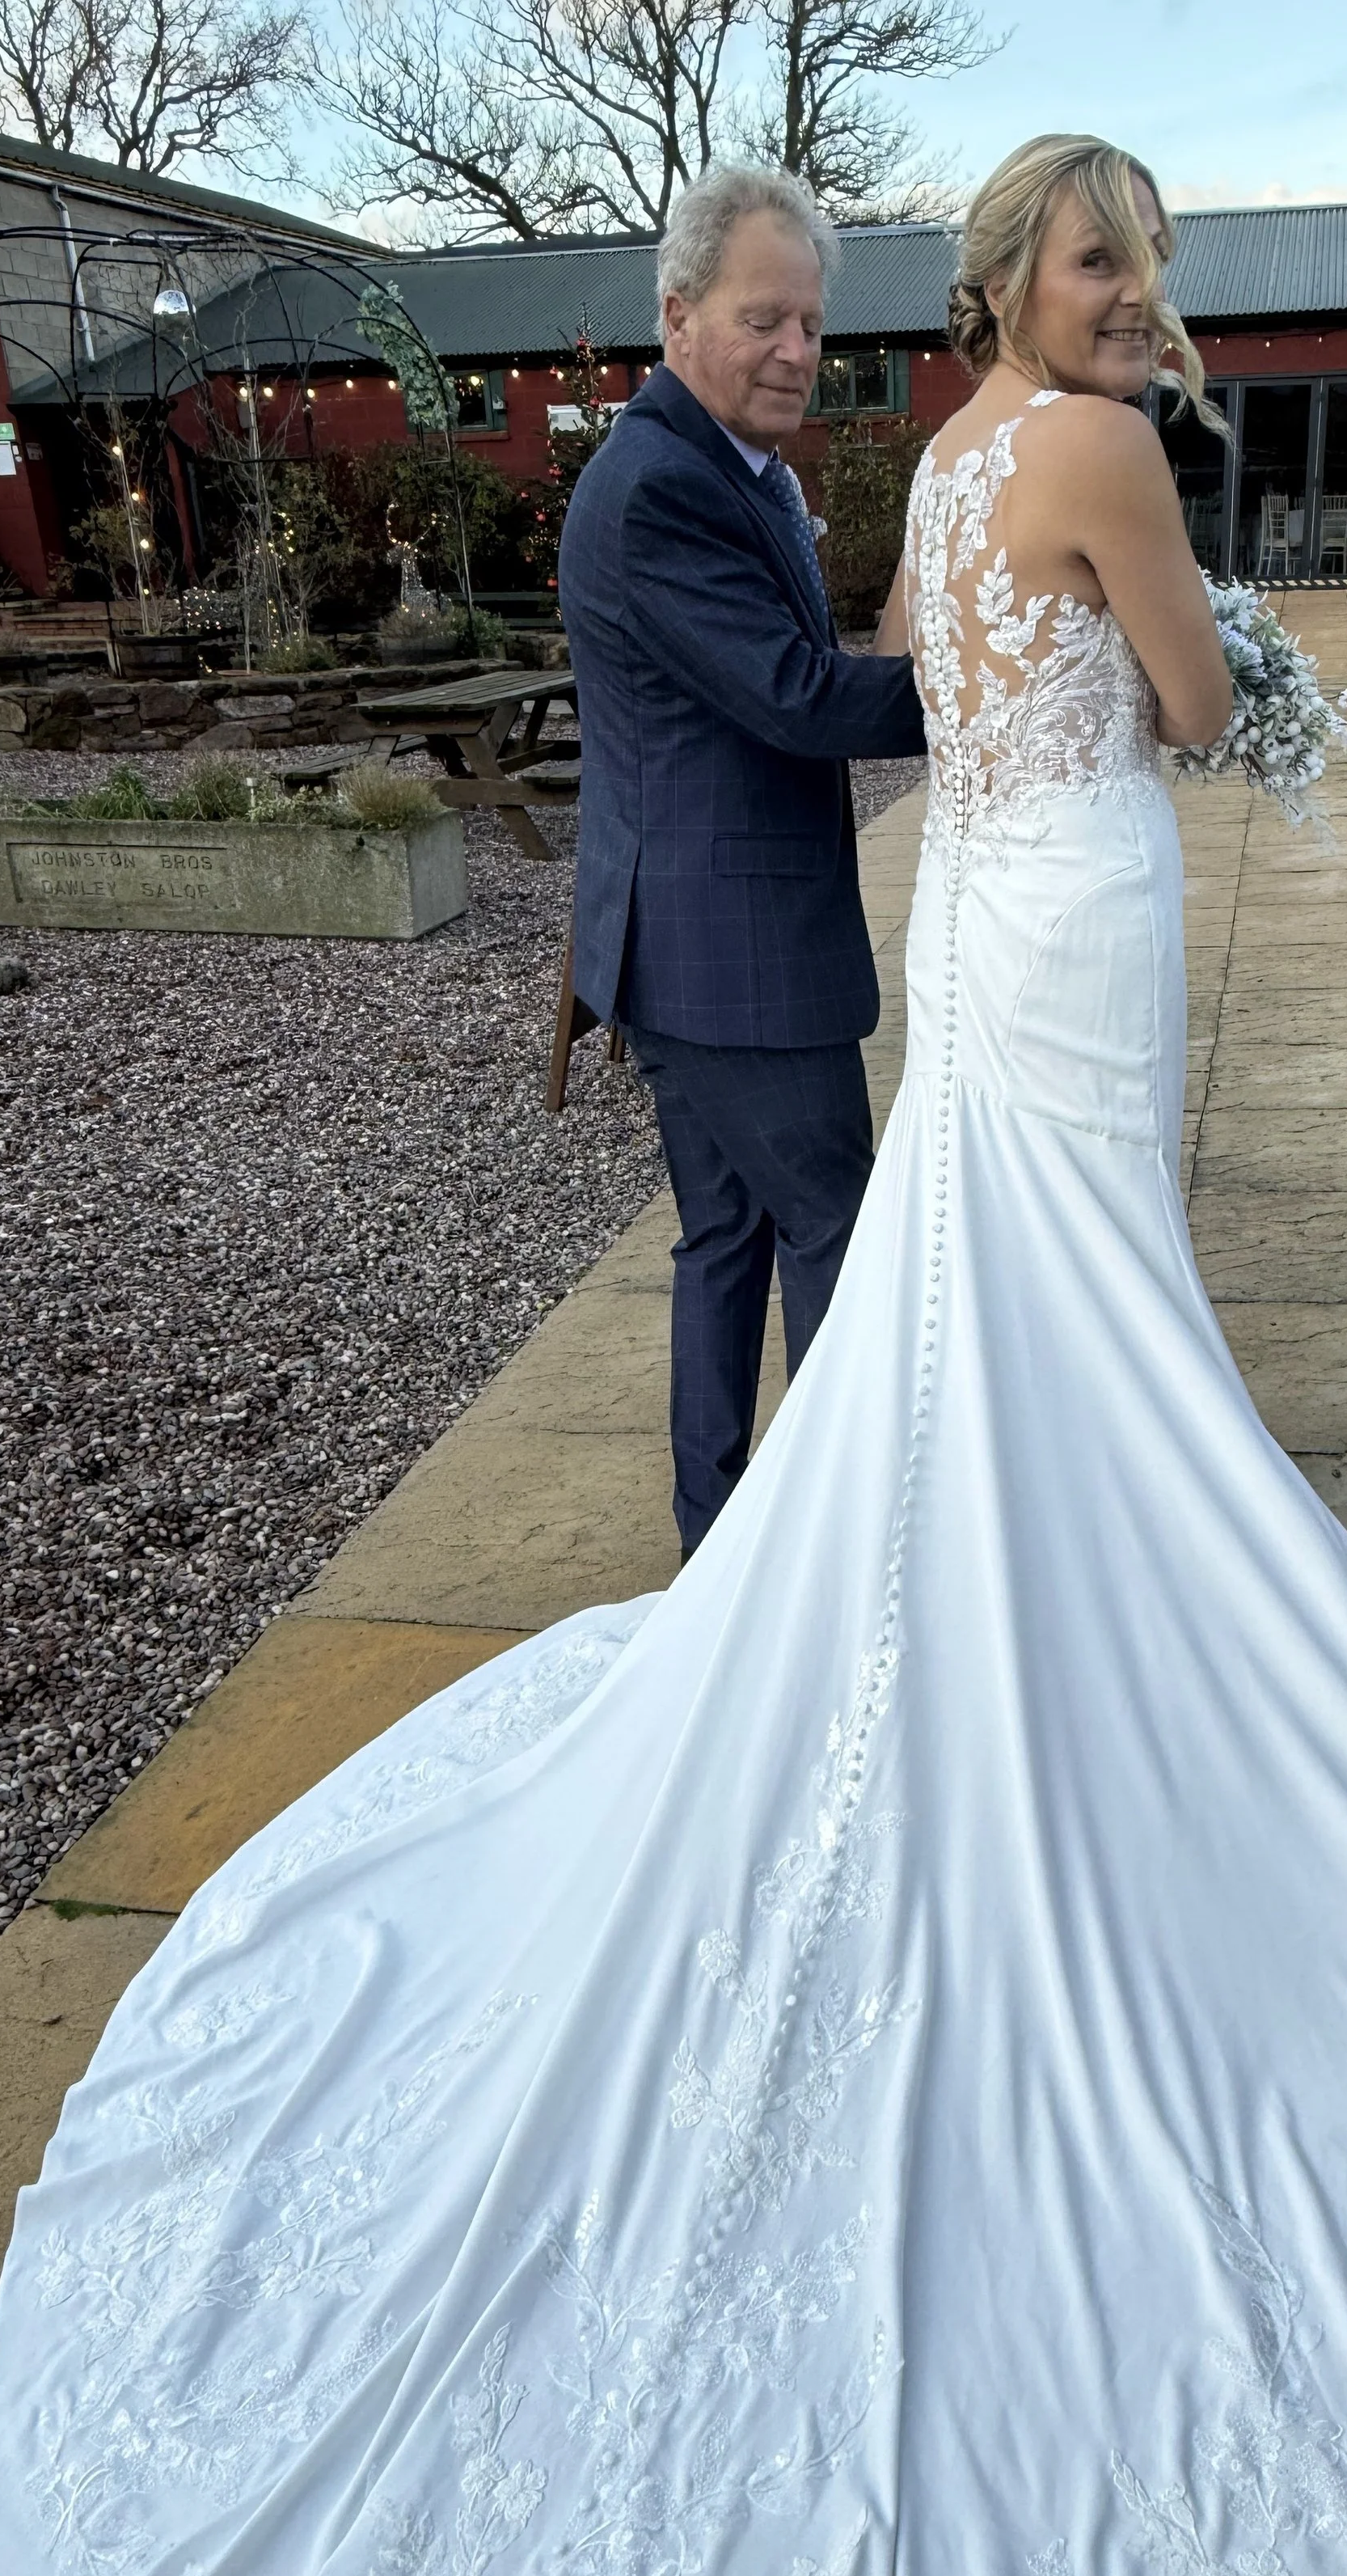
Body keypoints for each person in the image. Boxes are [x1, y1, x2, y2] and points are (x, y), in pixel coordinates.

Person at [0, 137, 1347, 2576]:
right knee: (1055, 1306)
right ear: (1007, 281)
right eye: (1104, 261)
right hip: (1057, 911)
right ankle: (1048, 1641)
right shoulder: (1074, 451)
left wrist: (1094, 650)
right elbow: (1182, 700)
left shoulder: (943, 459)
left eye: (1156, 270)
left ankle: (885, 1582)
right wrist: (1250, 663)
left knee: (972, 1297)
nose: (1138, 296)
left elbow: (940, 678)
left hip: (978, 914)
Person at [560, 170, 926, 1562]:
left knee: (726, 1241)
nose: (797, 353)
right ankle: (835, 1562)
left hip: (691, 942)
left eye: (812, 325)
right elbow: (797, 695)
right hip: (731, 958)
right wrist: (998, 684)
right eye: (763, 318)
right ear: (679, 315)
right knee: (834, 1229)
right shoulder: (663, 486)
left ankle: (718, 1547)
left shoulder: (721, 465)